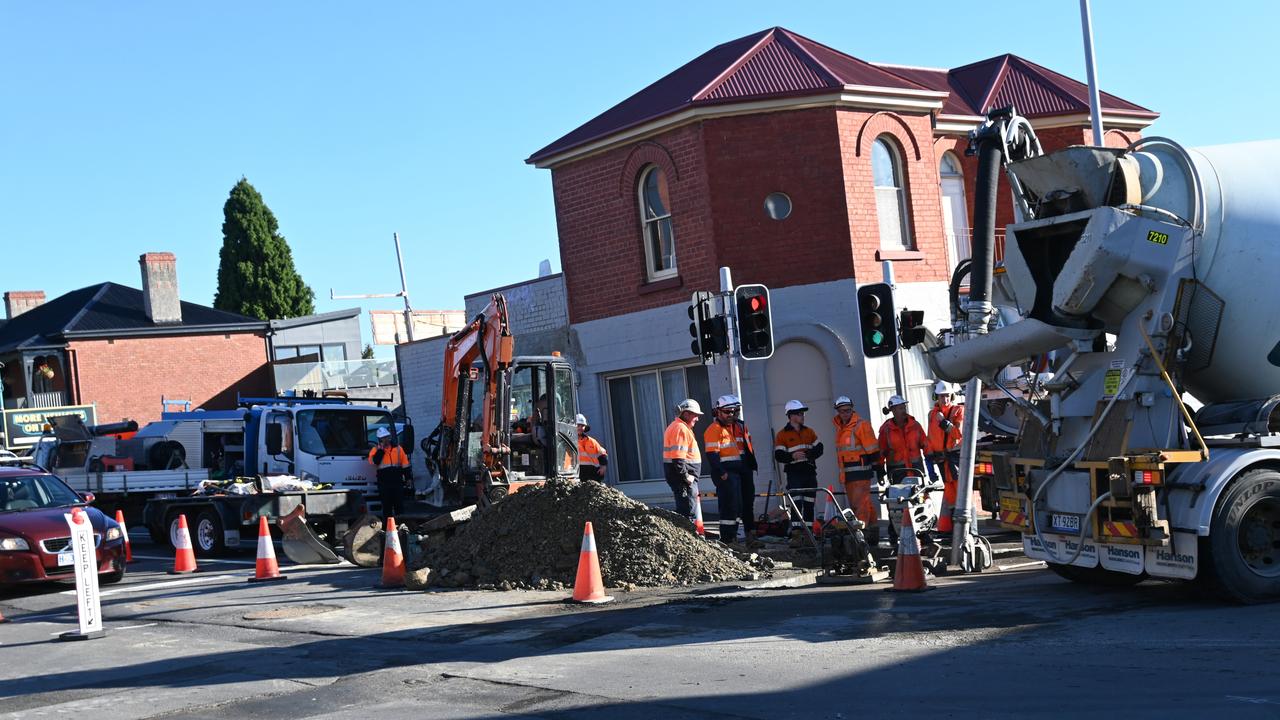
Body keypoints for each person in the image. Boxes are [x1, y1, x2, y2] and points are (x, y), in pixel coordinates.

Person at [703, 395, 759, 546]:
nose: (731, 415)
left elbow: (747, 449)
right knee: (730, 505)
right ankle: (728, 539)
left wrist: (750, 468)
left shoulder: (740, 426)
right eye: (727, 412)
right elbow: (712, 454)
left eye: (734, 411)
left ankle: (750, 536)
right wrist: (722, 473)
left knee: (747, 504)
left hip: (743, 471)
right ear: (718, 412)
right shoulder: (714, 429)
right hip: (727, 472)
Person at [832, 395, 881, 540]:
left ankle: (862, 535)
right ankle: (872, 532)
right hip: (849, 474)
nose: (845, 413)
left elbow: (873, 449)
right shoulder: (841, 429)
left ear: (852, 410)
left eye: (848, 410)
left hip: (861, 472)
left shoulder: (861, 425)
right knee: (859, 504)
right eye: (842, 411)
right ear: (838, 412)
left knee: (861, 505)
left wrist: (878, 467)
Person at [773, 400, 823, 541]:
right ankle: (796, 533)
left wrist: (809, 455)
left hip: (809, 472)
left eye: (802, 413)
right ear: (791, 416)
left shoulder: (809, 432)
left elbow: (820, 448)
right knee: (796, 503)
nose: (803, 416)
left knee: (809, 503)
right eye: (800, 414)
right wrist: (792, 456)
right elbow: (778, 455)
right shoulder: (782, 435)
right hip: (794, 473)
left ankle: (807, 533)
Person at [928, 381, 965, 533]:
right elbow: (930, 437)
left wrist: (943, 422)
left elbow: (959, 434)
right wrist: (929, 459)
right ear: (936, 397)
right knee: (949, 492)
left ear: (952, 396)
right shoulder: (932, 414)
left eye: (947, 396)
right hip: (941, 459)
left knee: (960, 490)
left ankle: (965, 527)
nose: (945, 399)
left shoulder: (958, 411)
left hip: (955, 458)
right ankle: (953, 527)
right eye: (942, 396)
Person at [662, 398, 703, 524]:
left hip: (683, 478)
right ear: (686, 414)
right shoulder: (680, 428)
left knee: (686, 507)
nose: (697, 419)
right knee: (687, 509)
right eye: (695, 415)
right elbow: (678, 458)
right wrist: (685, 476)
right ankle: (687, 533)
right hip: (684, 479)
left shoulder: (679, 427)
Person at [878, 395, 928, 481]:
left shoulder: (915, 425)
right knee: (899, 494)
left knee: (919, 494)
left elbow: (926, 445)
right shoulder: (886, 430)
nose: (904, 410)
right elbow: (881, 452)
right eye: (900, 408)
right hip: (897, 473)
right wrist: (880, 473)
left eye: (904, 407)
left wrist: (931, 467)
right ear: (893, 410)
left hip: (916, 470)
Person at [368, 426, 410, 520]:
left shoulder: (398, 449)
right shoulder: (375, 450)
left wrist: (408, 478)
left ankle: (401, 527)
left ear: (389, 437)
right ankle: (388, 528)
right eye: (383, 438)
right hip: (384, 484)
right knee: (387, 508)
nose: (386, 440)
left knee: (399, 506)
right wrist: (381, 451)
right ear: (379, 440)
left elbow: (405, 465)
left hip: (397, 482)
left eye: (387, 437)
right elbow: (374, 462)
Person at [576, 413, 609, 483]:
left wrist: (603, 467)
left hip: (593, 475)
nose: (580, 428)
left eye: (582, 426)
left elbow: (602, 454)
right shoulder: (569, 441)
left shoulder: (592, 441)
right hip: (577, 475)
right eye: (578, 425)